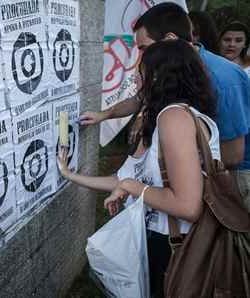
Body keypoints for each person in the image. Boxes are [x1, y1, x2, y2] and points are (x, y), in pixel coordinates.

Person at [59, 39, 219, 298]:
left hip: (175, 246)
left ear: (160, 76)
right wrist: (69, 174)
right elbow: (123, 179)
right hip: (171, 242)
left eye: (140, 71)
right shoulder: (174, 116)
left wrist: (132, 187)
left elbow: (188, 206)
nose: (134, 79)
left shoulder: (174, 118)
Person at [81, 3, 250, 170]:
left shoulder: (225, 79)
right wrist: (103, 115)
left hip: (226, 179)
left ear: (170, 39)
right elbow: (141, 98)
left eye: (145, 48)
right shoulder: (170, 68)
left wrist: (172, 166)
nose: (142, 57)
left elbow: (232, 155)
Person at [219, 21, 250, 211]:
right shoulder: (211, 67)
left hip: (243, 158)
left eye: (238, 40)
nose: (232, 45)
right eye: (227, 39)